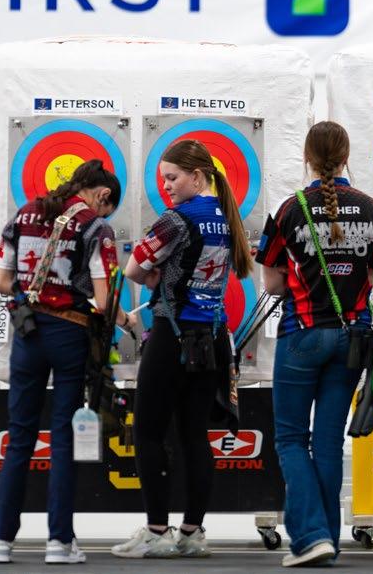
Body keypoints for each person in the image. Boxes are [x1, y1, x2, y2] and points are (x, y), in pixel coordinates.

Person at [112, 139, 253, 559]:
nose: (167, 186)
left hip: (172, 336)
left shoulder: (176, 219)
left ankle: (157, 531)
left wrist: (153, 279)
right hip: (212, 338)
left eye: (172, 177)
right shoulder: (226, 216)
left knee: (148, 432)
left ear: (197, 175)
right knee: (194, 435)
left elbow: (133, 268)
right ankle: (191, 533)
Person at [256, 121, 373, 567]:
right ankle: (326, 539)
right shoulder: (371, 208)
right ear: (346, 157)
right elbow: (372, 275)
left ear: (307, 158)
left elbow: (273, 284)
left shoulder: (290, 209)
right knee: (328, 444)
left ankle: (311, 537)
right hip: (352, 338)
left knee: (291, 439)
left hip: (302, 334)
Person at [0, 159, 122, 565]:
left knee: (19, 436)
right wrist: (127, 320)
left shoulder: (24, 214)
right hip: (70, 334)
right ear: (102, 194)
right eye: (106, 205)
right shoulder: (96, 228)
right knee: (63, 437)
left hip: (27, 333)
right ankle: (59, 543)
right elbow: (104, 301)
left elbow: (0, 282)